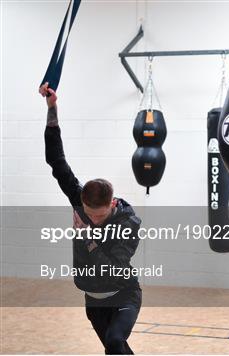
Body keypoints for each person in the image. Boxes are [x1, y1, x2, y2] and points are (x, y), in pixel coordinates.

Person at [40, 82, 142, 354]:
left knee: (114, 341)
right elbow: (57, 162)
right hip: (93, 299)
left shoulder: (128, 223)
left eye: (99, 216)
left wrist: (87, 237)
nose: (93, 220)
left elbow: (111, 266)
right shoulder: (82, 202)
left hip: (123, 294)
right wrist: (52, 110)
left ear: (112, 203)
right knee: (115, 351)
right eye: (89, 214)